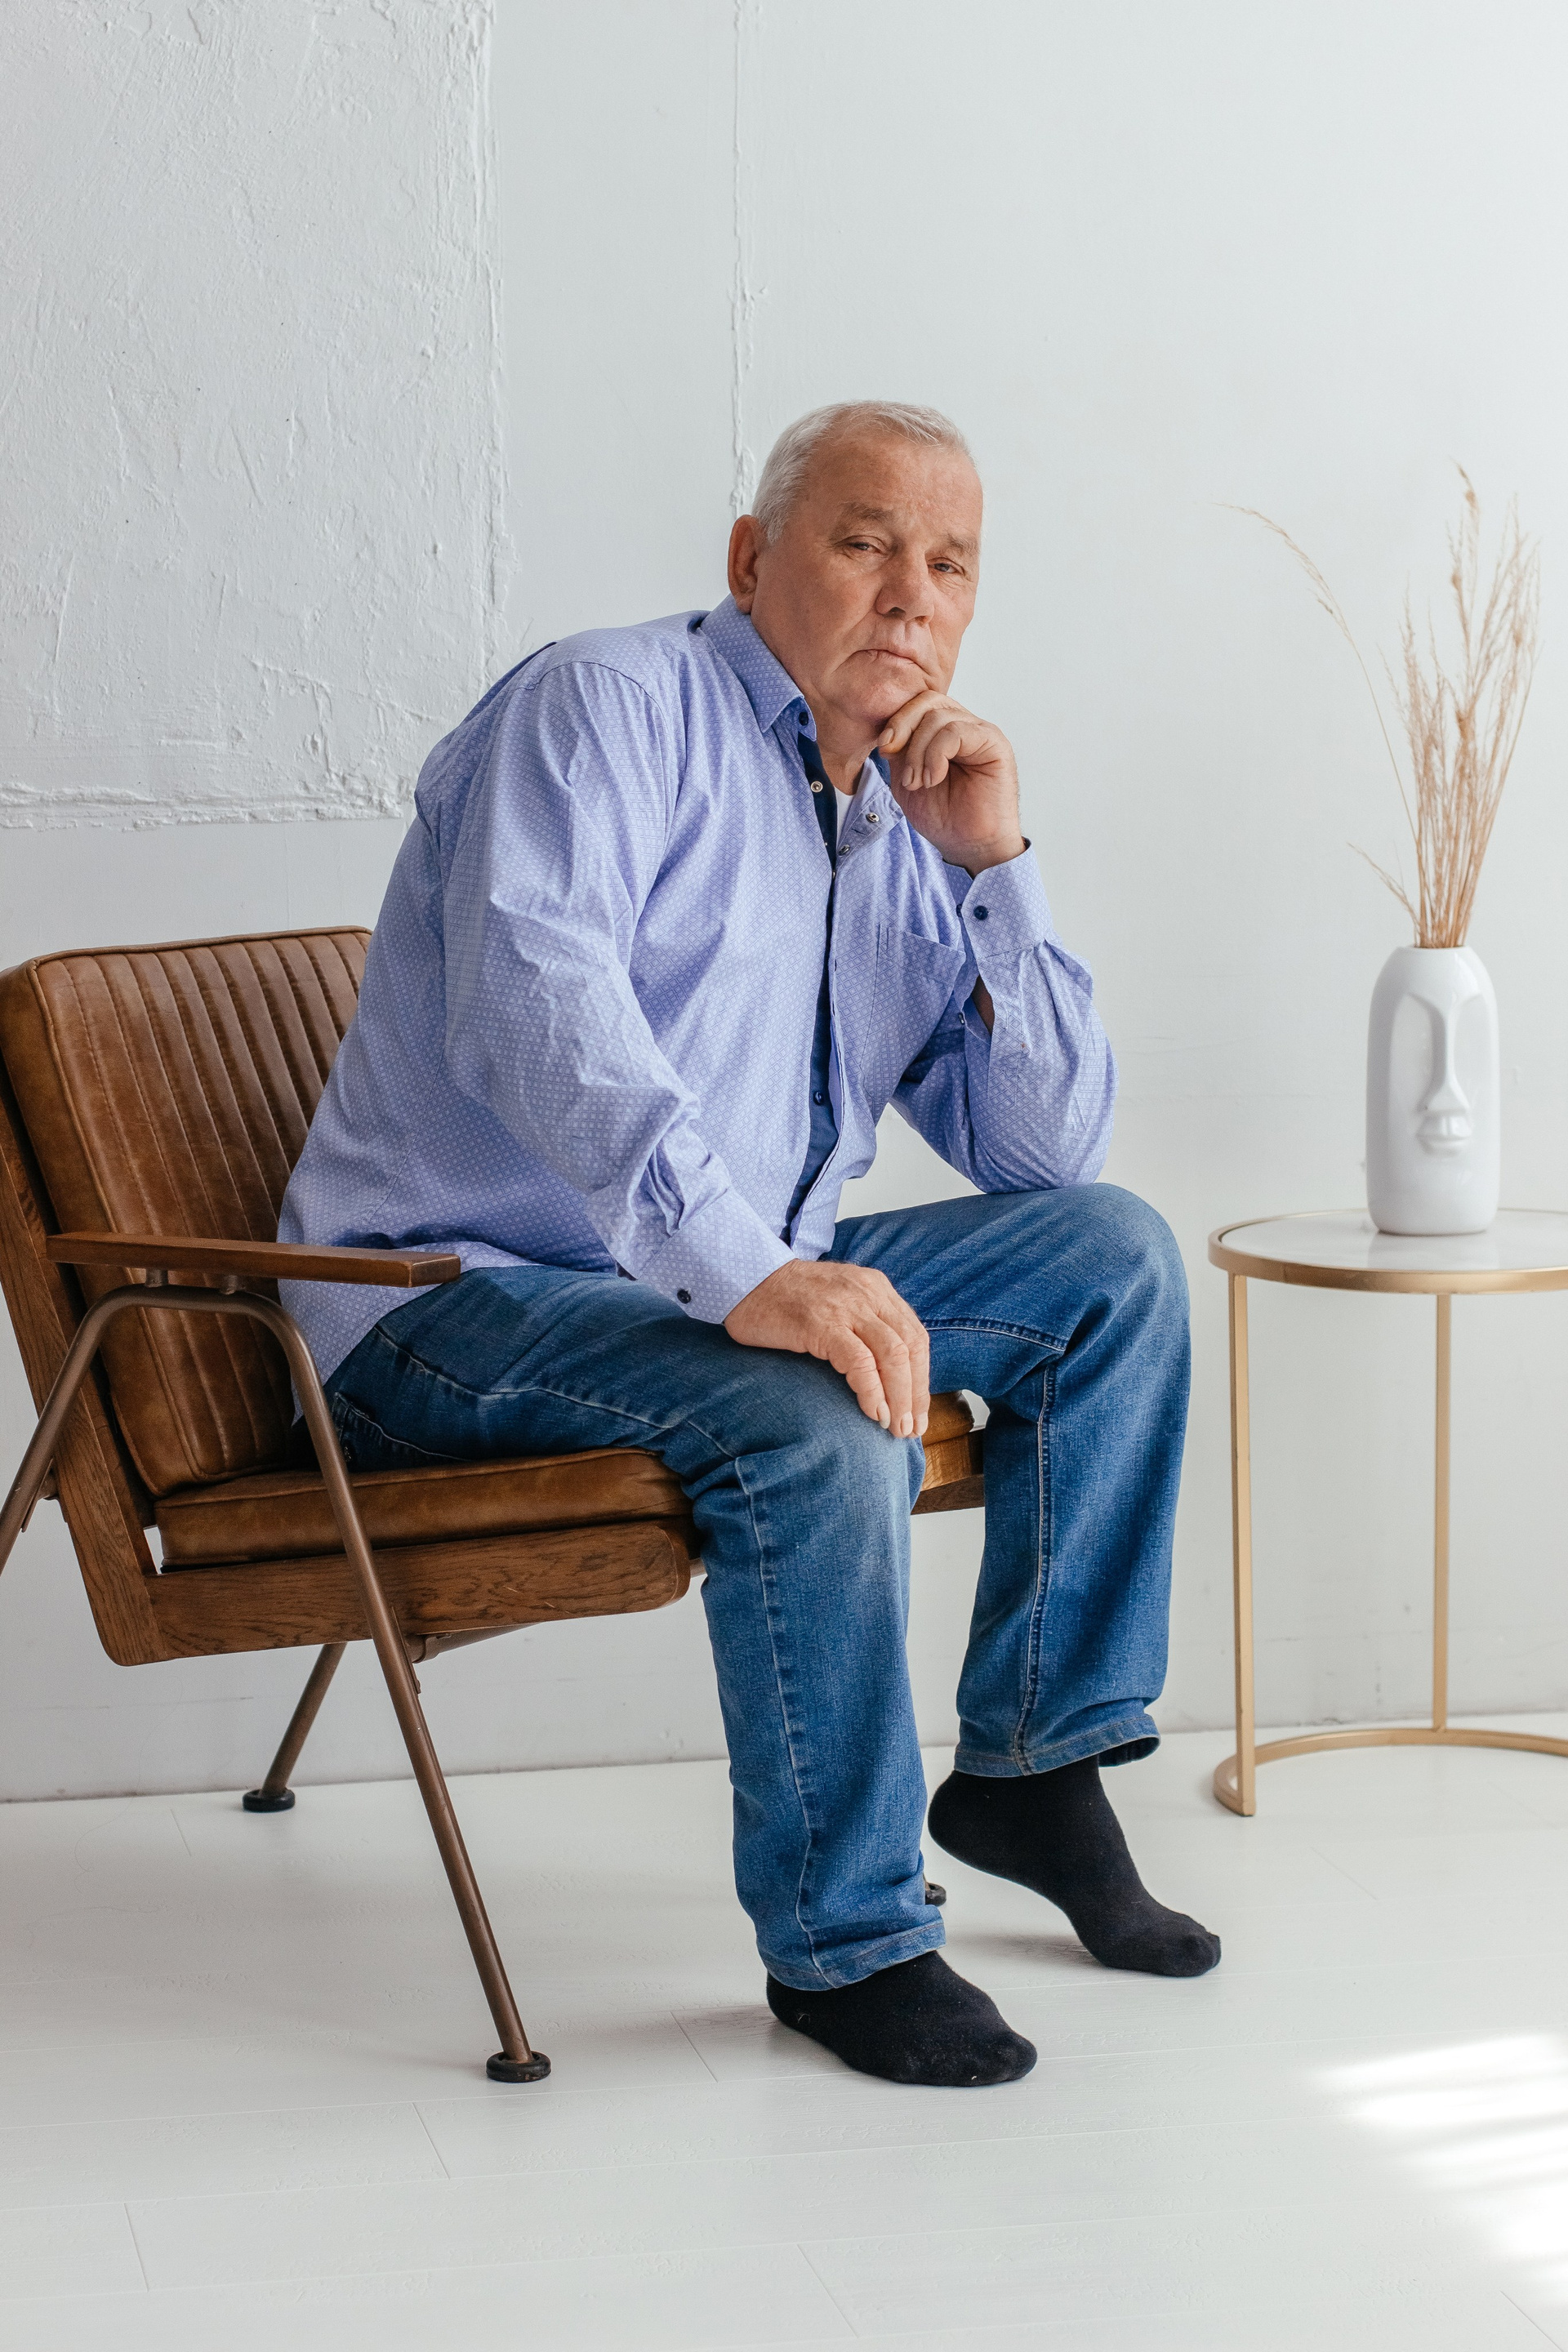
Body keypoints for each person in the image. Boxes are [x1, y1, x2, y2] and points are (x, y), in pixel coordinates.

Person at [278, 399, 1218, 2090]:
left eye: (950, 565)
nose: (911, 595)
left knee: (1113, 1264)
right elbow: (542, 1019)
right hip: (444, 1297)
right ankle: (848, 1942)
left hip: (704, 1281)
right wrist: (758, 1276)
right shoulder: (605, 708)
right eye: (866, 543)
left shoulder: (903, 809)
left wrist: (992, 864)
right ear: (751, 558)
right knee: (802, 1407)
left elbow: (1040, 1155)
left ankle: (1033, 1767)